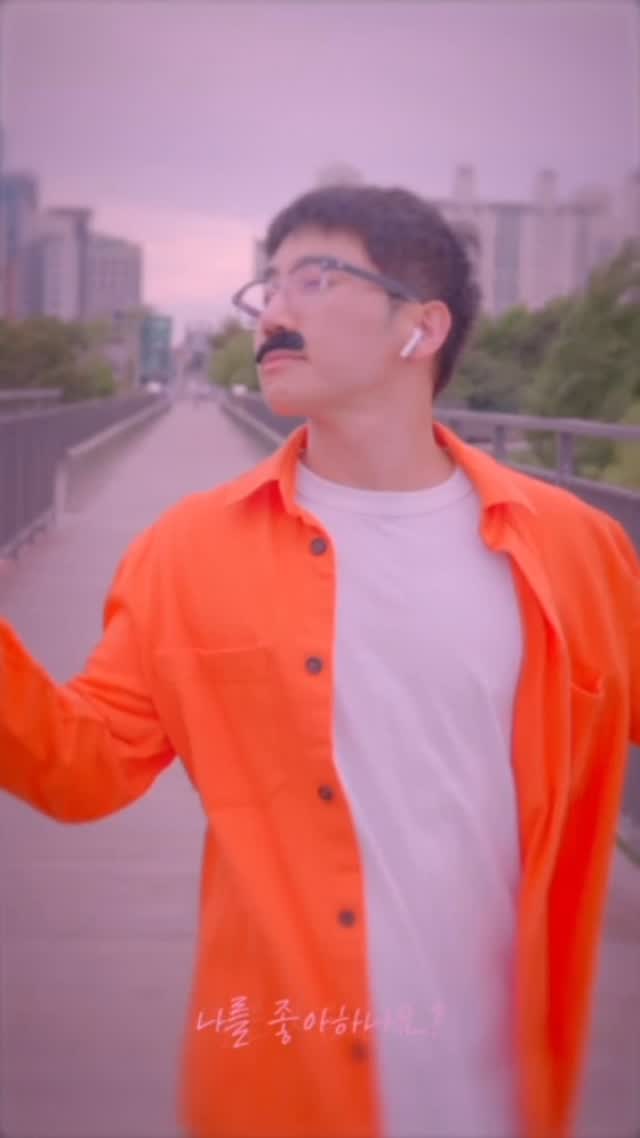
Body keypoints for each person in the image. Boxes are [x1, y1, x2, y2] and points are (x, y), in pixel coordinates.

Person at [1, 183, 638, 1138]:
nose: (272, 313)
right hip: (283, 1090)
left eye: (316, 278)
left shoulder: (577, 551)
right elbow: (80, 763)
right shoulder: (187, 552)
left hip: (508, 1096)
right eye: (267, 287)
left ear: (420, 328)